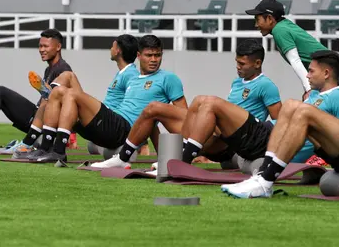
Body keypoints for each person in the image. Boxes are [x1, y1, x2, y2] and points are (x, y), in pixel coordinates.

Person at [91, 39, 282, 168]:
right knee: (156, 108)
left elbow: (278, 123)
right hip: (217, 134)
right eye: (237, 62)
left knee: (209, 102)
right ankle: (123, 158)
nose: (238, 67)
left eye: (242, 64)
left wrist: (271, 155)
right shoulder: (237, 81)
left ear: (257, 64)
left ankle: (181, 159)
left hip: (236, 139)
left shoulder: (266, 85)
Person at [180, 50, 339, 166]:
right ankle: (183, 155)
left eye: (311, 71)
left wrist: (324, 158)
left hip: (268, 139)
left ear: (326, 73)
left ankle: (183, 160)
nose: (307, 75)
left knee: (211, 103)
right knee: (200, 101)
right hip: (268, 135)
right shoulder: (313, 95)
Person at [29, 35, 187, 163]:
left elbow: (183, 115)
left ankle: (58, 151)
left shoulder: (168, 78)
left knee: (70, 93)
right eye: (149, 55)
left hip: (122, 129)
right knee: (58, 93)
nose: (153, 59)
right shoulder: (134, 78)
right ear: (139, 56)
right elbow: (149, 120)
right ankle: (46, 148)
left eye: (157, 55)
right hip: (110, 126)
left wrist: (190, 150)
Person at [223, 89, 339, 199]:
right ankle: (262, 175)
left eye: (311, 71)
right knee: (291, 105)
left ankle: (265, 182)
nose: (308, 76)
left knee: (305, 112)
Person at [12, 34, 140, 159]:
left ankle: (53, 146)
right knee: (64, 83)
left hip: (113, 125)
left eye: (112, 46)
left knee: (65, 90)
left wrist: (140, 143)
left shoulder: (131, 74)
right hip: (105, 121)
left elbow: (136, 107)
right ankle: (46, 145)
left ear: (118, 50)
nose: (110, 49)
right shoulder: (122, 73)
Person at [245, 0, 339, 100]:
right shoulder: (283, 25)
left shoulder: (279, 30)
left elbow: (295, 60)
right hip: (335, 70)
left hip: (336, 72)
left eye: (257, 19)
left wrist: (308, 89)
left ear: (269, 18)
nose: (256, 24)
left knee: (313, 107)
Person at [0, 29, 72, 153]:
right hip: (37, 116)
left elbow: (66, 104)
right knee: (1, 93)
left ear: (58, 47)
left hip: (45, 123)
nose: (41, 50)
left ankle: (28, 143)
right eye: (40, 46)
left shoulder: (64, 70)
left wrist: (69, 134)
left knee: (0, 92)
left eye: (45, 46)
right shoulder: (50, 69)